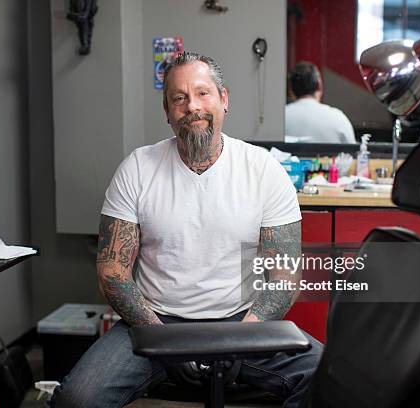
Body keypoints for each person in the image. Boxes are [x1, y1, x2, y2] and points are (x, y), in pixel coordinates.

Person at [52, 52, 323, 408]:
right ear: (167, 112)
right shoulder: (137, 168)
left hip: (243, 320)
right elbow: (112, 272)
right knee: (77, 399)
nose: (192, 106)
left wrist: (243, 338)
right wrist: (164, 342)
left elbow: (284, 276)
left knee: (330, 378)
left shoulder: (263, 170)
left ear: (223, 100)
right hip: (154, 320)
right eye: (179, 98)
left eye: (202, 93)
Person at [285, 61, 356, 144]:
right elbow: (353, 154)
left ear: (290, 90)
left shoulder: (280, 118)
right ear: (319, 85)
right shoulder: (338, 118)